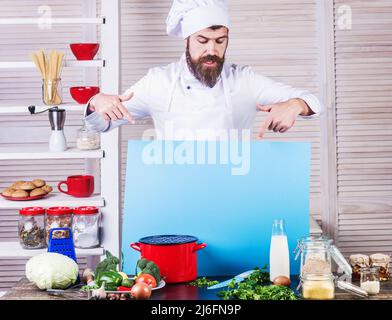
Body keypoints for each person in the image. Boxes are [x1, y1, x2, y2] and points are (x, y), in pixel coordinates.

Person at [84, 0, 321, 140]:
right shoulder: (158, 82)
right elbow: (100, 124)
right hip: (176, 201)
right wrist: (97, 101)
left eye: (220, 41)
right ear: (186, 39)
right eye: (203, 40)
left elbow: (314, 101)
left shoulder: (244, 80)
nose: (212, 50)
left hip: (232, 197)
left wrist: (294, 105)